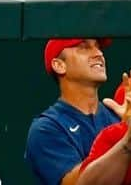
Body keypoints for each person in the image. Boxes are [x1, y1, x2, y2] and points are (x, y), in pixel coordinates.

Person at [26, 40, 119, 185]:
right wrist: (128, 140)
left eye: (98, 47)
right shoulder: (47, 128)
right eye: (84, 47)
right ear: (59, 65)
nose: (99, 53)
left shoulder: (118, 116)